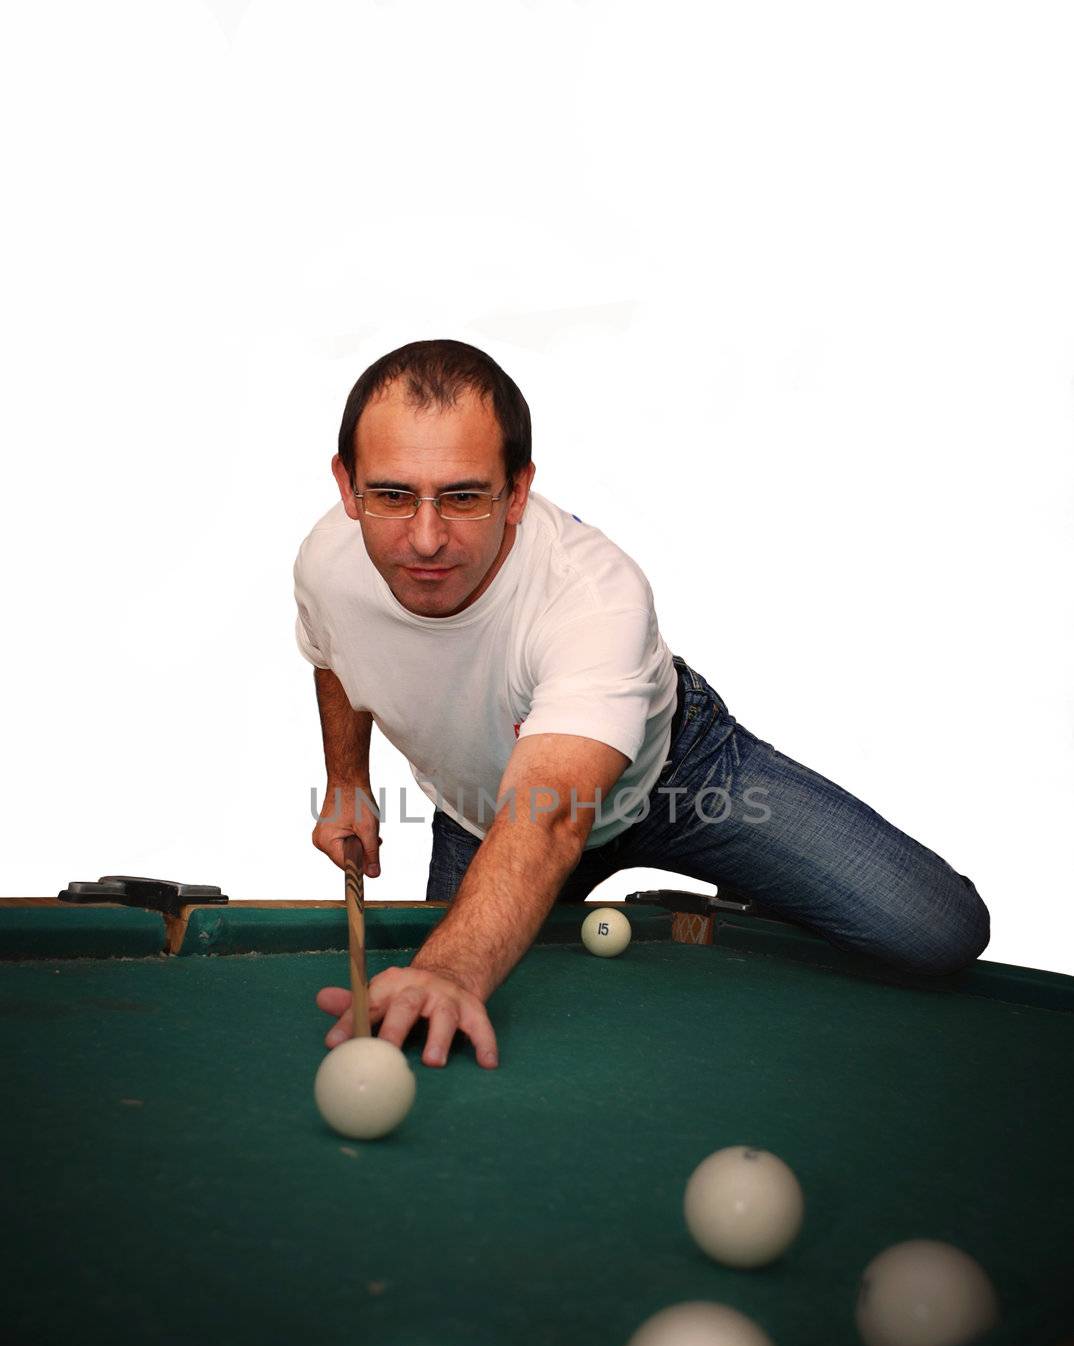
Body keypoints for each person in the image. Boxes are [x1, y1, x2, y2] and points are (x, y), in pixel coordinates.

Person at [293, 339, 989, 1070]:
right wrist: (347, 783)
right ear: (348, 485)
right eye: (393, 494)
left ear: (519, 489)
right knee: (434, 1039)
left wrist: (449, 971)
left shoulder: (593, 595)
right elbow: (334, 654)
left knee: (939, 932)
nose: (427, 537)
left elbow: (553, 811)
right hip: (487, 814)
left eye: (465, 496)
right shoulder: (328, 564)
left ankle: (738, 885)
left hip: (683, 782)